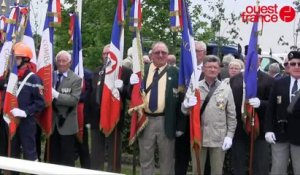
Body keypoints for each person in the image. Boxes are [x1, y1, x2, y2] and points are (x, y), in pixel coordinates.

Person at [130, 41, 180, 175]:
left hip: (166, 120)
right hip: (146, 121)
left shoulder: (176, 73)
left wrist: (180, 126)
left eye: (163, 52)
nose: (160, 55)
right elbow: (133, 95)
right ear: (151, 54)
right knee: (146, 159)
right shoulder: (142, 71)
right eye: (157, 52)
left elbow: (180, 101)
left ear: (168, 55)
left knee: (167, 160)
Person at [182, 55, 237, 175]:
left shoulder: (226, 88)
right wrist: (186, 104)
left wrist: (230, 135)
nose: (212, 70)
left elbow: (232, 115)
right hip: (198, 135)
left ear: (219, 70)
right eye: (209, 67)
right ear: (203, 69)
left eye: (215, 67)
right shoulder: (195, 87)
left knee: (217, 171)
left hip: (219, 136)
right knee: (197, 170)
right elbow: (185, 111)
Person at [230, 52, 274, 175]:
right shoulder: (235, 79)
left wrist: (261, 103)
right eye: (248, 59)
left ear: (260, 61)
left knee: (260, 164)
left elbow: (273, 104)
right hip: (239, 127)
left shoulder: (269, 80)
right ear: (245, 61)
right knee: (238, 164)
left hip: (260, 128)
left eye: (256, 59)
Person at [89, 44, 131, 172]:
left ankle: (113, 173)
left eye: (109, 53)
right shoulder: (97, 71)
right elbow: (92, 93)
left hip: (114, 115)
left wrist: (122, 88)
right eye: (104, 54)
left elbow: (130, 94)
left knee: (114, 151)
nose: (107, 56)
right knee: (96, 150)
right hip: (97, 116)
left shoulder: (123, 72)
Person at [265, 51, 300, 175]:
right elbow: (271, 108)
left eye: (299, 64)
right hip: (280, 132)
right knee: (278, 169)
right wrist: (268, 129)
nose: (296, 67)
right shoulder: (279, 83)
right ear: (288, 66)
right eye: (293, 64)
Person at [175, 40, 207, 175]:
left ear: (204, 53)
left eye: (198, 51)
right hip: (183, 121)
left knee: (201, 159)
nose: (194, 54)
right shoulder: (181, 71)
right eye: (192, 51)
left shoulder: (211, 70)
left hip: (202, 122)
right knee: (181, 158)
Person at [9, 42, 45, 162]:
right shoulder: (12, 76)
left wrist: (25, 112)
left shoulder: (34, 78)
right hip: (12, 120)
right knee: (12, 153)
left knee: (29, 153)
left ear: (25, 59)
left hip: (27, 122)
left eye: (17, 58)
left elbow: (41, 103)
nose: (14, 60)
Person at [50, 50, 82, 166]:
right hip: (52, 124)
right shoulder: (50, 76)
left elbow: (74, 100)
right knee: (53, 158)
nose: (61, 63)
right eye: (59, 61)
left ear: (69, 63)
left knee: (67, 159)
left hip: (67, 123)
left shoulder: (76, 79)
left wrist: (56, 94)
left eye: (64, 61)